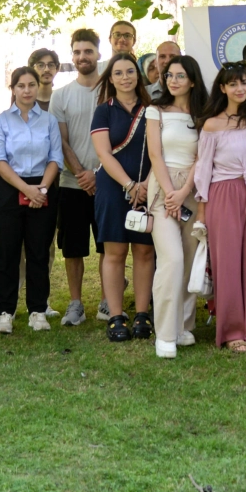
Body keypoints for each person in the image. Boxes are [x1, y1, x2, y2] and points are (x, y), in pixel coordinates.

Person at [194, 63, 246, 352]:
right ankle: (232, 332)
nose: (239, 88)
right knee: (227, 264)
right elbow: (203, 170)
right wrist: (202, 213)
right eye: (233, 84)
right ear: (223, 88)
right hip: (223, 195)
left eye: (244, 83)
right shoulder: (211, 125)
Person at [0, 66, 64, 334]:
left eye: (32, 85)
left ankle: (38, 310)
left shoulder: (49, 121)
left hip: (43, 188)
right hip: (9, 190)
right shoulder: (0, 121)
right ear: (13, 89)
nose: (27, 90)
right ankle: (5, 312)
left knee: (38, 252)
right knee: (7, 253)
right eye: (21, 85)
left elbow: (56, 158)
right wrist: (26, 189)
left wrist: (40, 189)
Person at [92, 52, 156, 342]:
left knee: (144, 251)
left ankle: (142, 314)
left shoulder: (152, 109)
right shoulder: (103, 111)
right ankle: (116, 316)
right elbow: (103, 153)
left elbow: (160, 151)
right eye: (118, 73)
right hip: (113, 188)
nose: (125, 77)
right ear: (110, 78)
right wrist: (130, 185)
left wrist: (146, 184)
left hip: (148, 187)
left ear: (137, 75)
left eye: (130, 71)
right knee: (115, 252)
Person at [147, 55, 207, 357]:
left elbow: (203, 157)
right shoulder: (155, 110)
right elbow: (155, 155)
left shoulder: (205, 114)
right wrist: (171, 193)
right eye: (169, 75)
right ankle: (165, 334)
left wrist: (184, 192)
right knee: (171, 259)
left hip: (192, 190)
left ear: (192, 81)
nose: (173, 80)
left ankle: (183, 326)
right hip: (162, 188)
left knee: (189, 257)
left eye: (180, 75)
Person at [51, 29, 102, 326]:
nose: (83, 57)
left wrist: (98, 174)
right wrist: (82, 174)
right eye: (77, 52)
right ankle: (76, 304)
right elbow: (61, 141)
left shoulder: (112, 91)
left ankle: (108, 301)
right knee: (72, 248)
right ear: (72, 56)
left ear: (98, 54)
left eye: (88, 51)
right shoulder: (61, 96)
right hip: (72, 184)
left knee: (110, 245)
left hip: (108, 183)